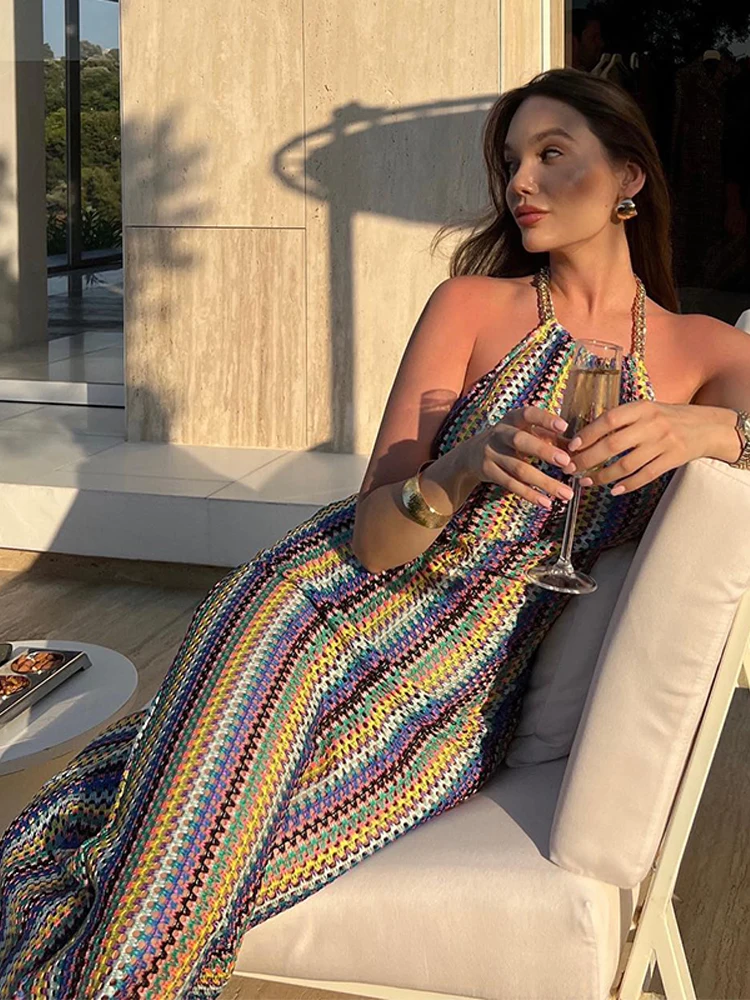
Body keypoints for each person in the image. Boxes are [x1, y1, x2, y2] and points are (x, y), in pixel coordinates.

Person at [1, 67, 749, 1000]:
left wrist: (717, 430)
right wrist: (459, 467)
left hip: (455, 701)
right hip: (306, 618)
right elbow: (373, 539)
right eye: (510, 161)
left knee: (141, 866)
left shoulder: (707, 352)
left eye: (552, 155)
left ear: (629, 176)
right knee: (175, 877)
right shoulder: (470, 306)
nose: (519, 182)